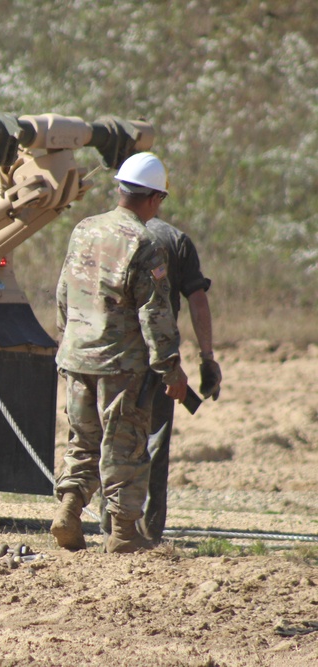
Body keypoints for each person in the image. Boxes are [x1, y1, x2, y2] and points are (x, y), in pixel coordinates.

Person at [50, 152, 188, 554]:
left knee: (82, 441)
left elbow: (63, 292)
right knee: (124, 445)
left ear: (120, 190)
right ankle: (125, 533)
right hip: (120, 365)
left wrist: (69, 340)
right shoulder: (145, 243)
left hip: (76, 356)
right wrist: (170, 369)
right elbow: (155, 313)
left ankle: (70, 510)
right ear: (154, 199)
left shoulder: (84, 229)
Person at [98, 217, 222, 543]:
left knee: (111, 436)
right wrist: (206, 358)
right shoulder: (175, 239)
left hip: (110, 355)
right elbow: (197, 298)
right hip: (159, 358)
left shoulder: (102, 232)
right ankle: (146, 532)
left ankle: (110, 526)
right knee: (153, 443)